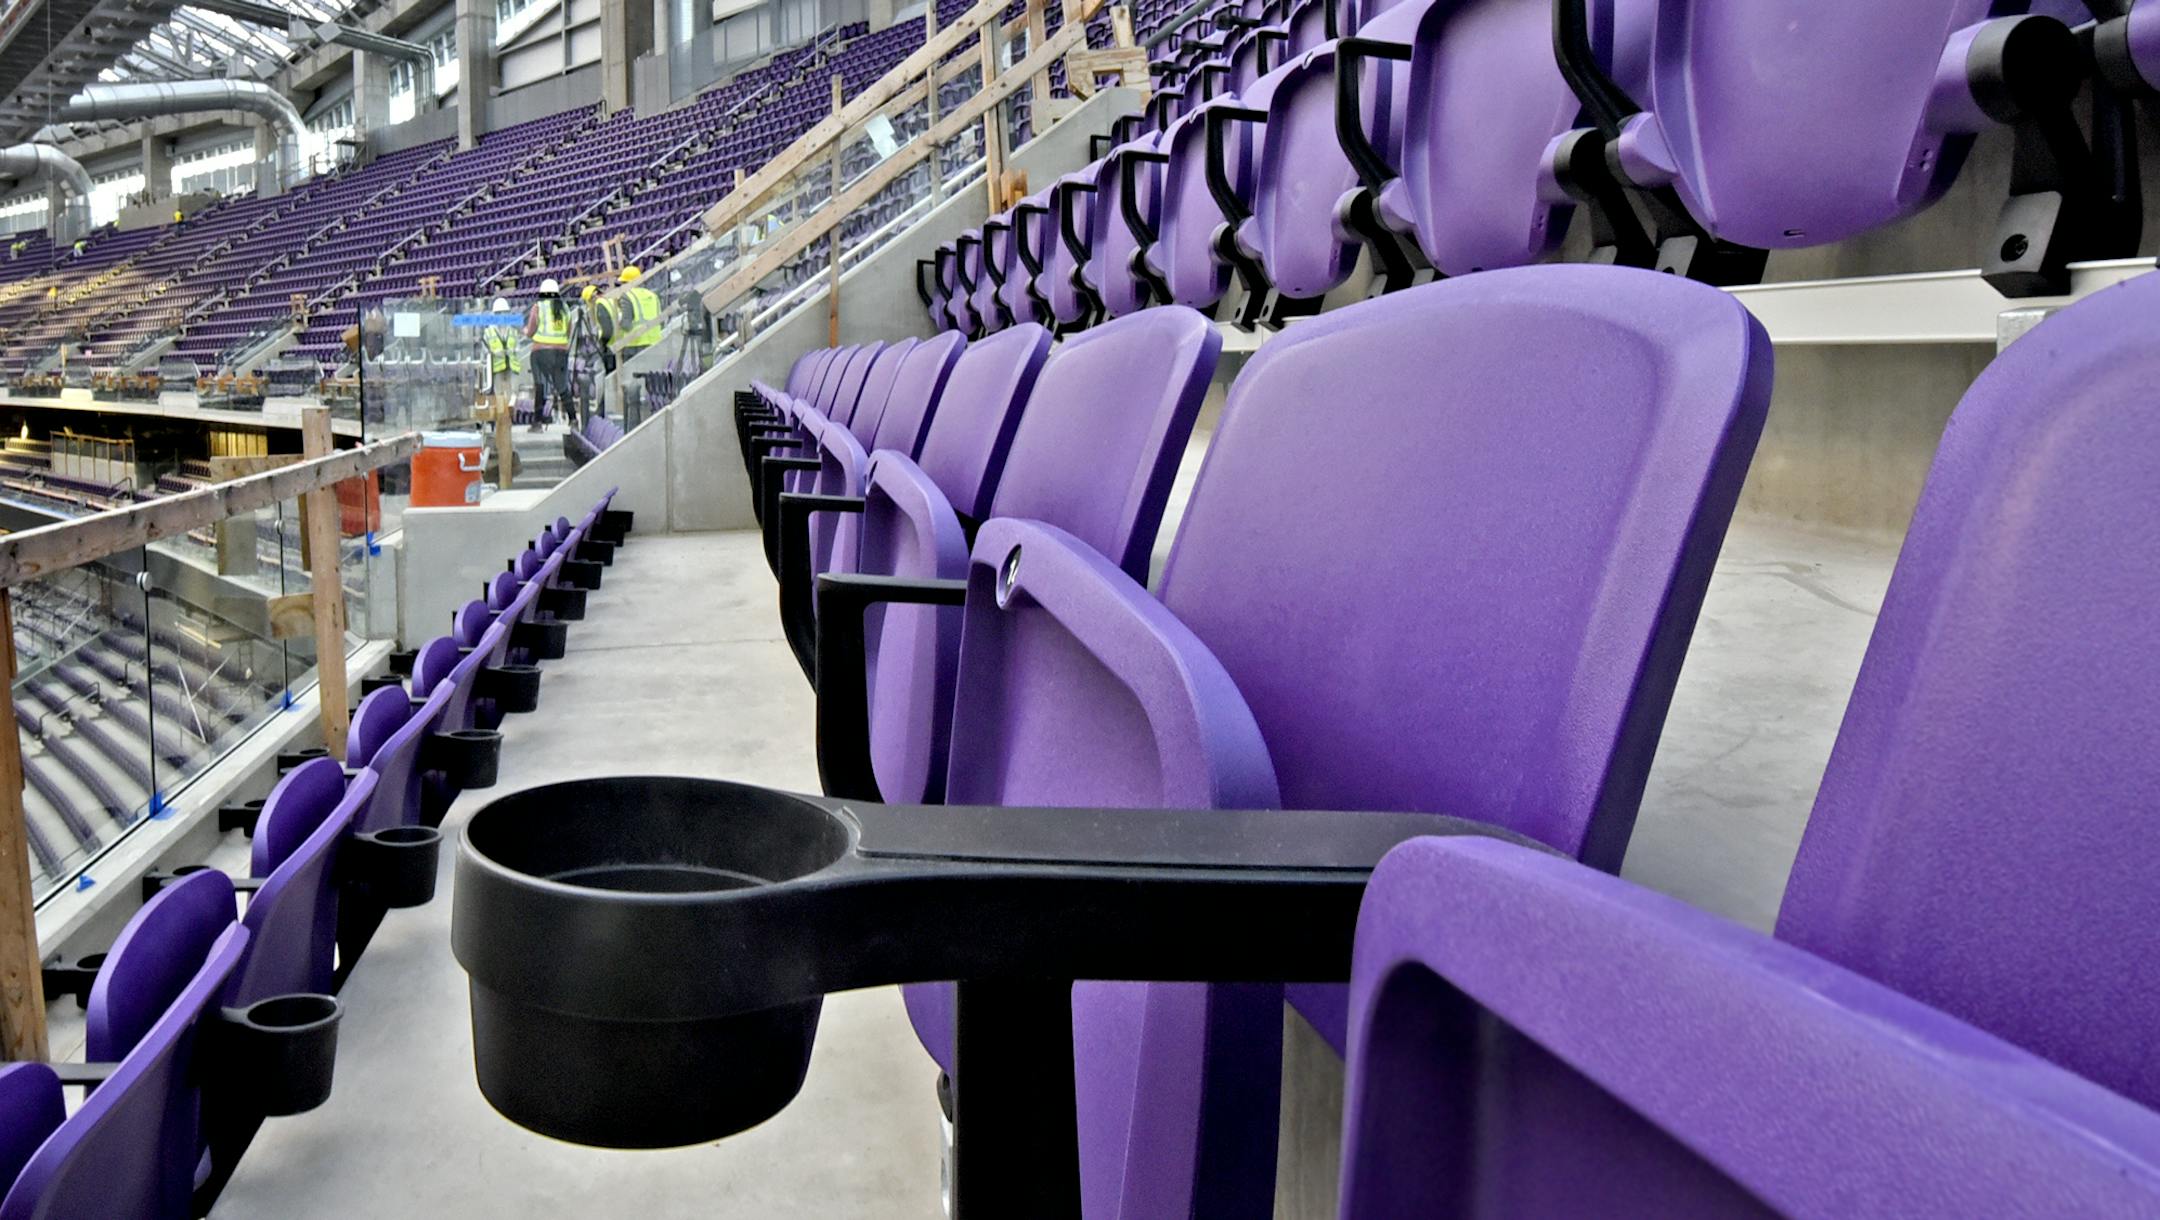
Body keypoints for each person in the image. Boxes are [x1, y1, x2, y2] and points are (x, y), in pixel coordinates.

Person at [604, 265, 664, 421]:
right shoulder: (653, 296)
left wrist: (617, 318)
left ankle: (634, 421)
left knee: (633, 390)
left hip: (634, 346)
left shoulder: (626, 296)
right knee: (653, 388)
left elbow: (626, 324)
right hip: (655, 346)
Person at [523, 279, 572, 431]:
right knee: (562, 386)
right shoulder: (565, 308)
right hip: (560, 352)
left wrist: (525, 331)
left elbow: (531, 332)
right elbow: (568, 331)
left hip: (541, 352)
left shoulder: (538, 307)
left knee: (540, 386)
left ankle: (537, 423)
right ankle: (574, 419)